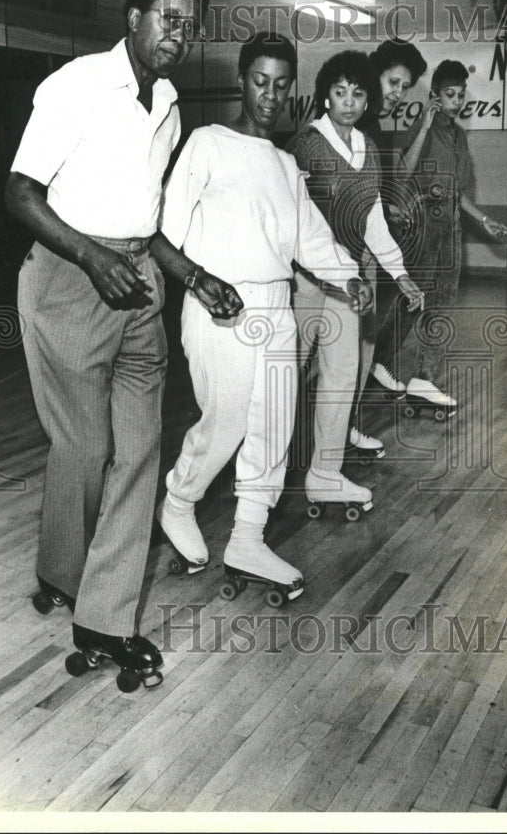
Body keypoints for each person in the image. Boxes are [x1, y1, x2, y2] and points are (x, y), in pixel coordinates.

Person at [5, 0, 242, 690]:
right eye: (168, 17)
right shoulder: (76, 86)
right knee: (84, 444)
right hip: (71, 277)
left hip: (137, 280)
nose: (180, 34)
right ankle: (59, 569)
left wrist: (193, 276)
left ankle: (102, 617)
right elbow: (20, 191)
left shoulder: (167, 103)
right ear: (134, 16)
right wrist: (90, 255)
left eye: (191, 24)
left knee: (139, 450)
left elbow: (147, 221)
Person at [157, 32, 372, 599]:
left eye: (281, 85)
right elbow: (162, 233)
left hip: (277, 304)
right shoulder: (206, 143)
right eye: (260, 81)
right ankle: (178, 501)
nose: (270, 95)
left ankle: (248, 538)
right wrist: (197, 282)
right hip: (217, 305)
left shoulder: (283, 162)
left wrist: (349, 275)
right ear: (241, 80)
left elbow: (310, 237)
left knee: (275, 426)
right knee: (225, 421)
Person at [288, 50, 424, 504]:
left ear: (367, 102)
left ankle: (324, 473)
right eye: (339, 91)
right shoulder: (305, 144)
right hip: (305, 277)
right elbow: (296, 220)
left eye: (357, 93)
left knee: (342, 374)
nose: (348, 101)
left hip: (350, 280)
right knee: (287, 372)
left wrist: (399, 273)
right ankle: (256, 467)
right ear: (325, 96)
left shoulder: (369, 149)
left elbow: (373, 220)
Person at [374, 59, 507, 408]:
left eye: (461, 94)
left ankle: (423, 378)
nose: (457, 101)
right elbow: (403, 172)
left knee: (443, 302)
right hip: (422, 222)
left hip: (450, 225)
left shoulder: (459, 136)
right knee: (413, 298)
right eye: (450, 94)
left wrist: (483, 220)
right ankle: (380, 362)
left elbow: (457, 191)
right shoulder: (423, 125)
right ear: (435, 96)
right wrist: (425, 124)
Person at [360, 38, 432, 396]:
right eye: (393, 83)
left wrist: (386, 208)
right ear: (375, 74)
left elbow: (364, 188)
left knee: (354, 349)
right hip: (338, 254)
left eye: (404, 87)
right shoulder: (355, 119)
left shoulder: (373, 125)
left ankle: (346, 424)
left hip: (362, 248)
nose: (398, 93)